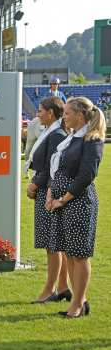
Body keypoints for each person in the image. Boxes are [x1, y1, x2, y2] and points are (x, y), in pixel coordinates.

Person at [46, 97, 106, 318]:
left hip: (79, 203)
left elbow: (86, 176)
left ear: (80, 115)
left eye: (68, 113)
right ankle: (81, 301)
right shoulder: (72, 138)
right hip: (62, 203)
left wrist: (63, 198)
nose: (64, 117)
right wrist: (52, 194)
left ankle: (78, 305)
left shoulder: (92, 140)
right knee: (71, 255)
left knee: (79, 255)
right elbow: (58, 170)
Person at [25, 97, 70, 304]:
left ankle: (50, 289)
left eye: (41, 111)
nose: (38, 114)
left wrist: (35, 183)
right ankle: (62, 287)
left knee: (53, 244)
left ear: (51, 113)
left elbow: (51, 168)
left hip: (48, 192)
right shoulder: (50, 132)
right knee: (54, 244)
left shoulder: (56, 134)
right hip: (46, 190)